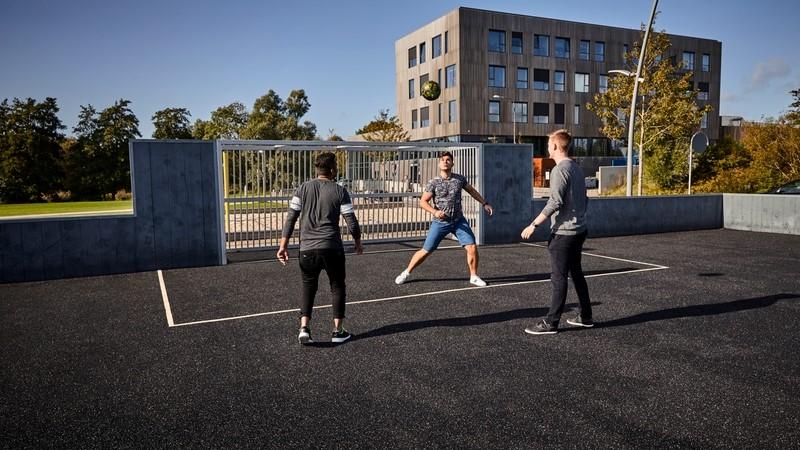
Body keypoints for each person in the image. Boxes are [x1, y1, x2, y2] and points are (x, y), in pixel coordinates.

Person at [277, 152, 363, 345]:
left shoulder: (302, 189)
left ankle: (304, 328)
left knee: (308, 286)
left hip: (307, 249)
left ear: (317, 169)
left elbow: (291, 218)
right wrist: (358, 242)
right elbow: (351, 221)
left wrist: (283, 246)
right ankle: (337, 331)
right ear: (332, 169)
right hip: (332, 248)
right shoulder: (340, 191)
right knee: (337, 286)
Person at [520, 129, 593, 335]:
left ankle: (551, 322)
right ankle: (586, 316)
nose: (547, 148)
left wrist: (533, 225)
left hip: (564, 233)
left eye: (548, 144)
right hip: (579, 230)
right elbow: (585, 199)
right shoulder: (576, 168)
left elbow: (555, 202)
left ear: (554, 146)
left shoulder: (559, 170)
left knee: (559, 278)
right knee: (576, 274)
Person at [394, 151, 493, 287]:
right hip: (440, 223)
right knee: (426, 251)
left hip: (458, 221)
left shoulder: (460, 179)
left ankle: (474, 276)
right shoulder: (433, 182)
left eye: (448, 160)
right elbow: (423, 201)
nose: (445, 162)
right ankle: (406, 272)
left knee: (471, 246)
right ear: (439, 163)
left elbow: (472, 191)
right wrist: (435, 212)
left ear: (452, 163)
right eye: (442, 160)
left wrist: (484, 203)